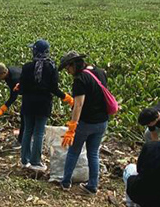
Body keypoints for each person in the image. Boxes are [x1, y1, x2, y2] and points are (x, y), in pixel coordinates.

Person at [58, 51, 110, 194]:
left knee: (73, 152)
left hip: (86, 122)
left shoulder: (80, 79)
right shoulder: (99, 72)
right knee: (93, 153)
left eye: (68, 68)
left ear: (73, 64)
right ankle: (93, 185)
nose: (68, 72)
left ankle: (66, 182)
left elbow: (78, 105)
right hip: (102, 121)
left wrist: (72, 127)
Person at [17, 40, 72, 171]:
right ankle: (35, 161)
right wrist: (66, 97)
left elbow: (22, 89)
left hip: (28, 103)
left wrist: (21, 88)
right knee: (39, 133)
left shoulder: (27, 67)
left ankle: (24, 160)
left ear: (35, 51)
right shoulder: (51, 67)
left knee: (27, 131)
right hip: (43, 104)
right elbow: (54, 88)